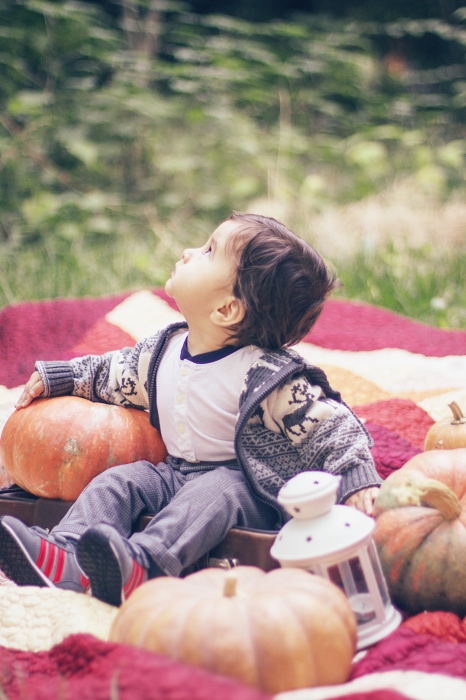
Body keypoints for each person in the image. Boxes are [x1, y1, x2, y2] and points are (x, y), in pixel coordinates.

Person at [0, 212, 381, 606]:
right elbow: (114, 374)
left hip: (247, 490)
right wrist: (64, 376)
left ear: (226, 310)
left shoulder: (267, 376)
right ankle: (66, 554)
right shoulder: (162, 353)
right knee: (120, 480)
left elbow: (331, 425)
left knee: (215, 490)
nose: (188, 251)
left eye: (208, 251)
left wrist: (356, 475)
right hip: (176, 474)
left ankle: (145, 565)